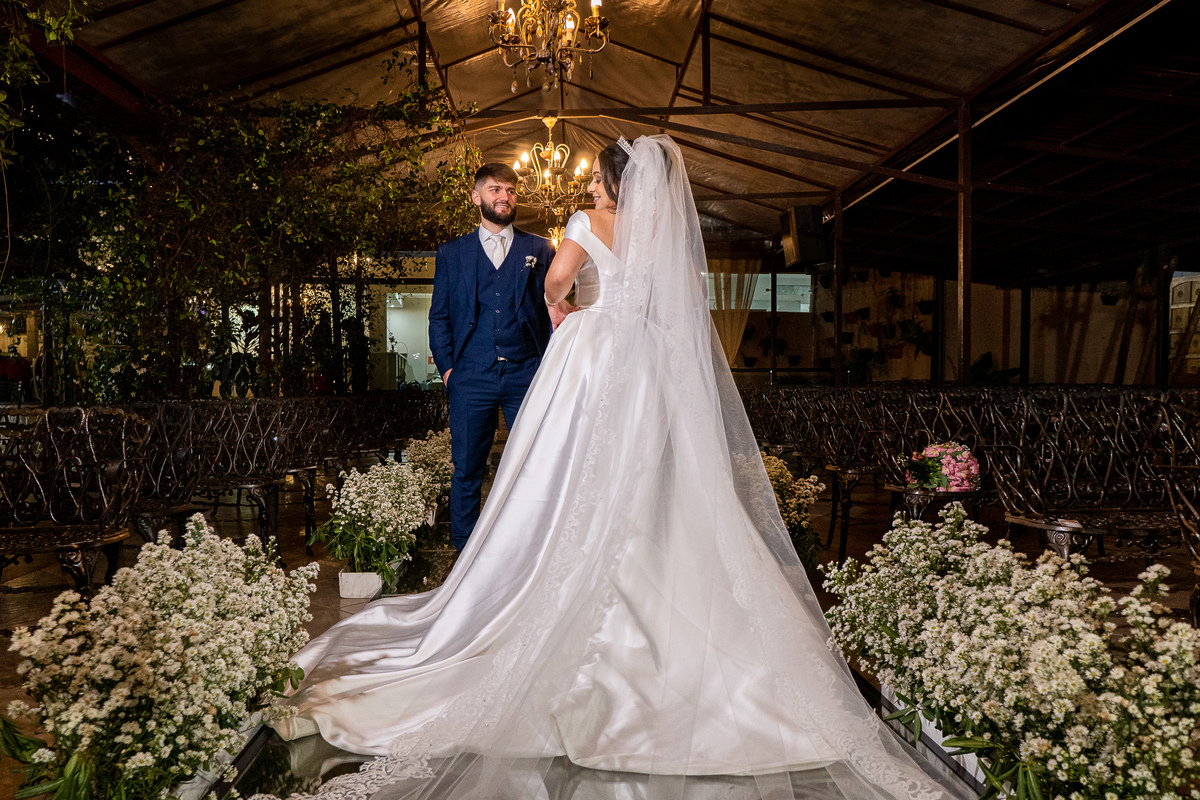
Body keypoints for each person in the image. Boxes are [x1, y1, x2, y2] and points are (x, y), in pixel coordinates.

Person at [266, 137, 969, 800]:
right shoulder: (659, 230)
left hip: (597, 354)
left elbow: (558, 283)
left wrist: (568, 307)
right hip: (649, 363)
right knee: (649, 475)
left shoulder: (584, 221)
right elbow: (673, 304)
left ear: (609, 181)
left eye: (599, 178)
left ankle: (551, 570)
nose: (593, 187)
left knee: (565, 467)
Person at [427, 164, 559, 553]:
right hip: (471, 376)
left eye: (511, 190)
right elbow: (439, 316)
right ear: (477, 197)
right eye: (496, 189)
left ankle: (526, 549)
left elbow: (553, 311)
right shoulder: (452, 253)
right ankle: (465, 552)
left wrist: (549, 366)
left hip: (526, 374)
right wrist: (449, 371)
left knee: (532, 465)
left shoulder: (540, 249)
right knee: (467, 468)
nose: (505, 196)